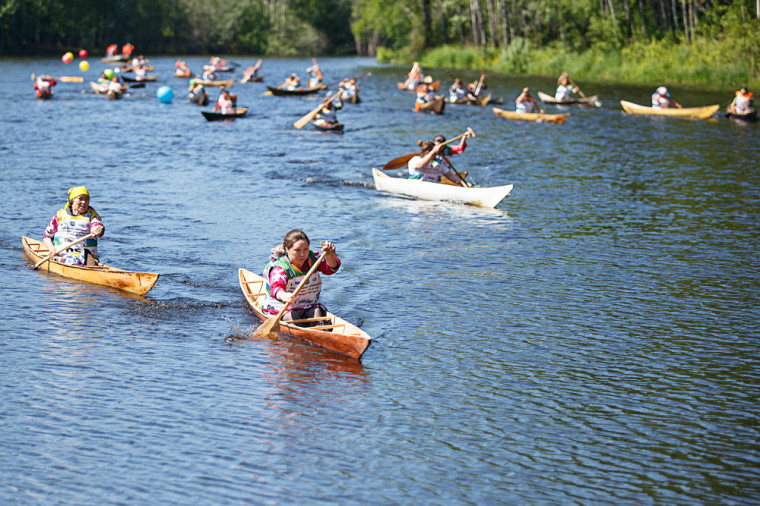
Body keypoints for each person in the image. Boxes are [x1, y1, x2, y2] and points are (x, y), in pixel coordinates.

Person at [261, 230, 340, 327]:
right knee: (294, 318)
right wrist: (284, 295)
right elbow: (276, 288)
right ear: (287, 249)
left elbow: (331, 269)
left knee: (317, 313)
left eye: (305, 249)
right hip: (282, 307)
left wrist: (329, 256)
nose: (302, 254)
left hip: (306, 305)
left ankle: (321, 331)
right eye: (297, 250)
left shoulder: (314, 258)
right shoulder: (280, 267)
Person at [42, 186, 105, 267]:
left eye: (86, 199)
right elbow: (46, 236)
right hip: (63, 255)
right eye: (80, 199)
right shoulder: (60, 216)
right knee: (72, 260)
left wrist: (98, 229)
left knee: (87, 258)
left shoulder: (92, 216)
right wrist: (51, 249)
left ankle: (88, 262)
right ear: (72, 200)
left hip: (85, 254)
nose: (84, 202)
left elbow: (99, 226)